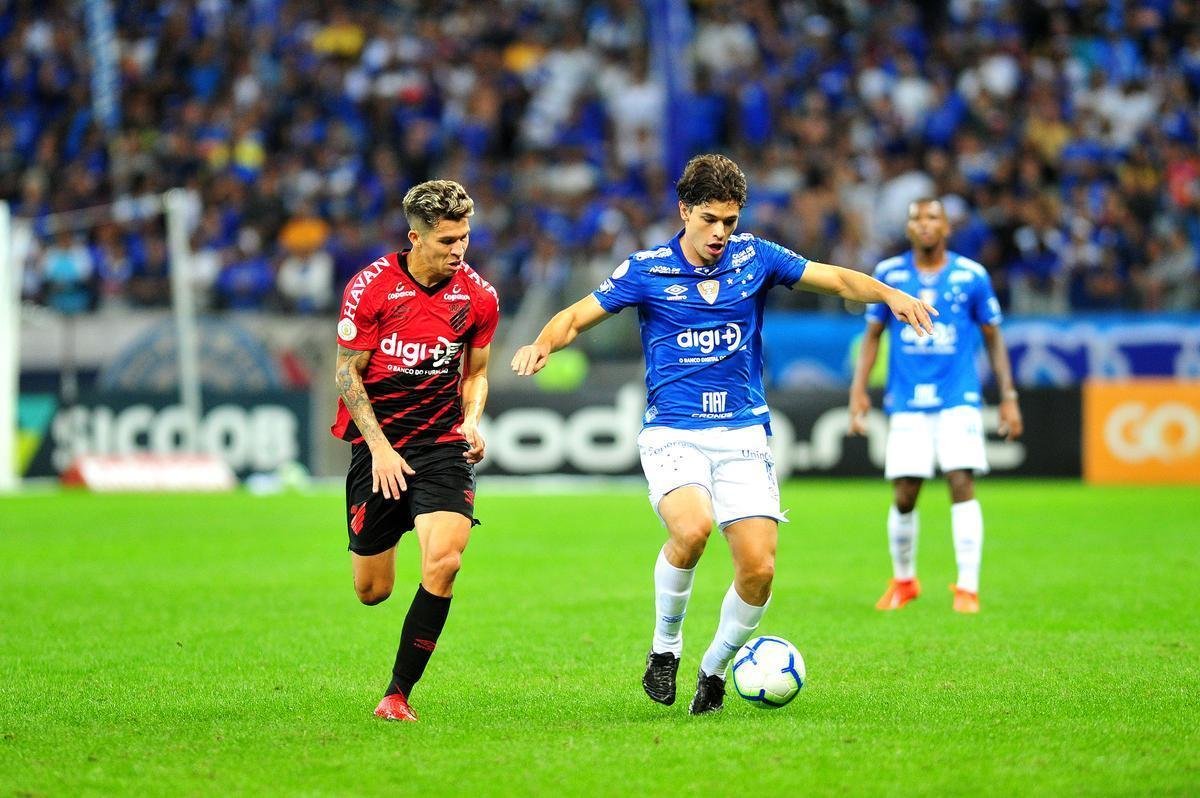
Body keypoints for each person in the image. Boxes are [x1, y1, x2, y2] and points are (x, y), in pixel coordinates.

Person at [511, 154, 936, 714]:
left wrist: (891, 295)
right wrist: (542, 342)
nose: (720, 232)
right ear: (684, 211)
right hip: (673, 431)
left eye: (729, 221)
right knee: (692, 530)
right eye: (709, 219)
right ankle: (665, 649)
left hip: (743, 434)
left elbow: (832, 278)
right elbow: (574, 316)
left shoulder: (755, 257)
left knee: (759, 569)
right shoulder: (647, 268)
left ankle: (713, 670)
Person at [331, 179, 498, 721]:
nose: (458, 252)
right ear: (415, 237)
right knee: (372, 591)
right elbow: (346, 375)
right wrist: (378, 448)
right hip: (379, 446)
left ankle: (397, 694)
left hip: (440, 443)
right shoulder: (370, 289)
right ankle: (396, 521)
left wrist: (471, 420)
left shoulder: (477, 296)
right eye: (447, 241)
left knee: (445, 562)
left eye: (464, 239)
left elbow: (475, 373)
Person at [848, 198, 1023, 614]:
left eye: (932, 218)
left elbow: (994, 338)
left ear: (946, 227)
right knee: (906, 492)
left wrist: (1009, 397)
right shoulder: (889, 276)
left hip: (957, 397)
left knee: (961, 481)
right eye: (916, 218)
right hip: (907, 401)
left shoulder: (972, 275)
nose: (924, 225)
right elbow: (873, 337)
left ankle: (967, 587)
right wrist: (858, 390)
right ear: (908, 228)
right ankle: (904, 580)